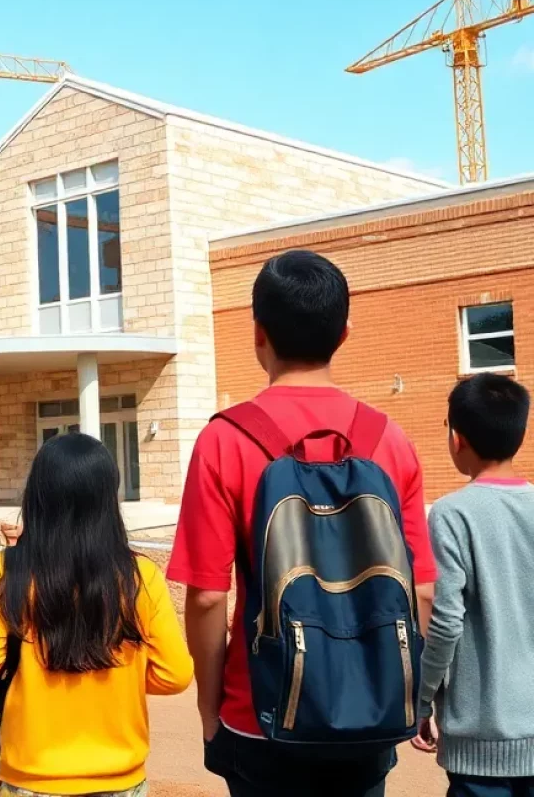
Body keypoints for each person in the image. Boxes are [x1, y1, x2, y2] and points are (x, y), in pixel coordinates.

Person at [169, 249, 437, 797]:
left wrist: (208, 707)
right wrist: (416, 690)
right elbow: (423, 590)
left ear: (257, 333)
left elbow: (205, 598)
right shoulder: (390, 440)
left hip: (261, 714)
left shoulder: (225, 439)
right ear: (344, 333)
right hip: (369, 709)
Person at [0, 432, 193, 797]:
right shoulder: (139, 575)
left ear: (37, 496)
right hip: (120, 776)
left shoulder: (9, 570)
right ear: (108, 499)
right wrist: (122, 672)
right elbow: (175, 675)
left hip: (30, 775)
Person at [416, 373, 534, 796]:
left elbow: (445, 622)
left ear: (456, 438)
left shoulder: (451, 515)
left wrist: (422, 698)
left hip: (481, 737)